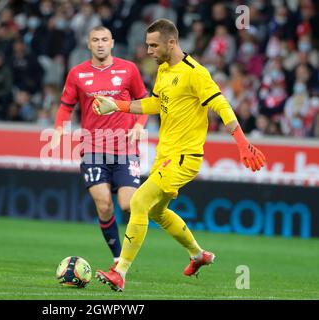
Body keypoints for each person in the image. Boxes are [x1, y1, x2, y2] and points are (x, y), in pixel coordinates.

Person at [93, 19, 266, 292]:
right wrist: (117, 105)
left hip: (184, 158)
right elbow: (155, 103)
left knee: (138, 202)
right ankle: (199, 256)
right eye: (148, 45)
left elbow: (221, 104)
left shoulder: (195, 72)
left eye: (154, 45)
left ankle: (120, 272)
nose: (148, 50)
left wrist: (242, 142)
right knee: (158, 212)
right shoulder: (163, 70)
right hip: (166, 155)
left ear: (171, 43)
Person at [51, 26, 148, 269]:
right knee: (104, 204)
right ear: (89, 44)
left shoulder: (129, 69)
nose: (101, 44)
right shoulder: (77, 73)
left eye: (105, 39)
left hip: (125, 148)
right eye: (95, 40)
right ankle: (118, 259)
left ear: (112, 43)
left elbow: (145, 101)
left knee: (128, 205)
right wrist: (59, 129)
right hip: (93, 149)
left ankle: (126, 253)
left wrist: (139, 125)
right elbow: (65, 106)